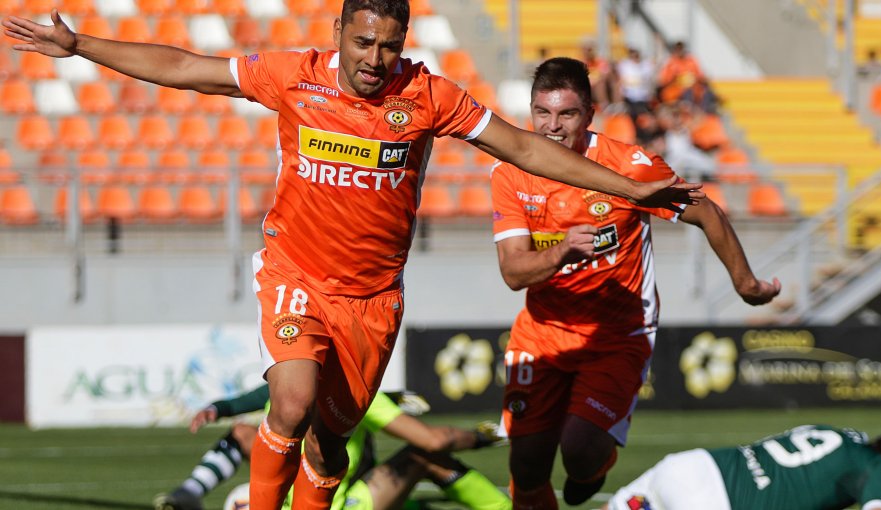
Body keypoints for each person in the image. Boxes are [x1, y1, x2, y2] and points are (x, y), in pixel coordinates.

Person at [3, 3, 703, 508]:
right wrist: (81, 46)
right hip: (295, 273)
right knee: (293, 399)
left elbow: (525, 148)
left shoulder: (427, 95)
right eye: (363, 41)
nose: (375, 59)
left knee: (332, 441)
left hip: (372, 299)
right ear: (339, 32)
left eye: (389, 45)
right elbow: (189, 67)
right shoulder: (293, 76)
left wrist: (633, 189)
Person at [489, 57, 780, 509]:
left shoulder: (629, 165)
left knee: (580, 452)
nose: (552, 126)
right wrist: (562, 249)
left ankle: (594, 467)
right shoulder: (510, 172)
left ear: (589, 113)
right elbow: (513, 272)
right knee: (527, 467)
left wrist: (745, 282)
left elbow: (705, 210)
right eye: (542, 113)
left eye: (566, 114)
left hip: (616, 334)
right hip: (543, 331)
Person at [155, 385, 511, 510]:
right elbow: (438, 439)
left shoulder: (286, 389)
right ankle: (500, 507)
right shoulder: (358, 397)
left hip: (283, 504)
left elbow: (261, 395)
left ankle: (190, 491)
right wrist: (486, 436)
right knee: (424, 454)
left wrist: (219, 407)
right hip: (339, 505)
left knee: (244, 433)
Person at [604, 424, 881, 510]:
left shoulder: (832, 433)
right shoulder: (873, 466)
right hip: (717, 501)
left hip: (689, 466)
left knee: (618, 507)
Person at [657, 41, 716, 112]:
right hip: (676, 89)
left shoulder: (692, 60)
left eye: (681, 49)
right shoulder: (671, 62)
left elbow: (700, 75)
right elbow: (664, 80)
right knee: (686, 94)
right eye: (678, 49)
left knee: (706, 92)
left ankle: (704, 114)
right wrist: (675, 78)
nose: (680, 51)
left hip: (693, 88)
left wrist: (703, 79)